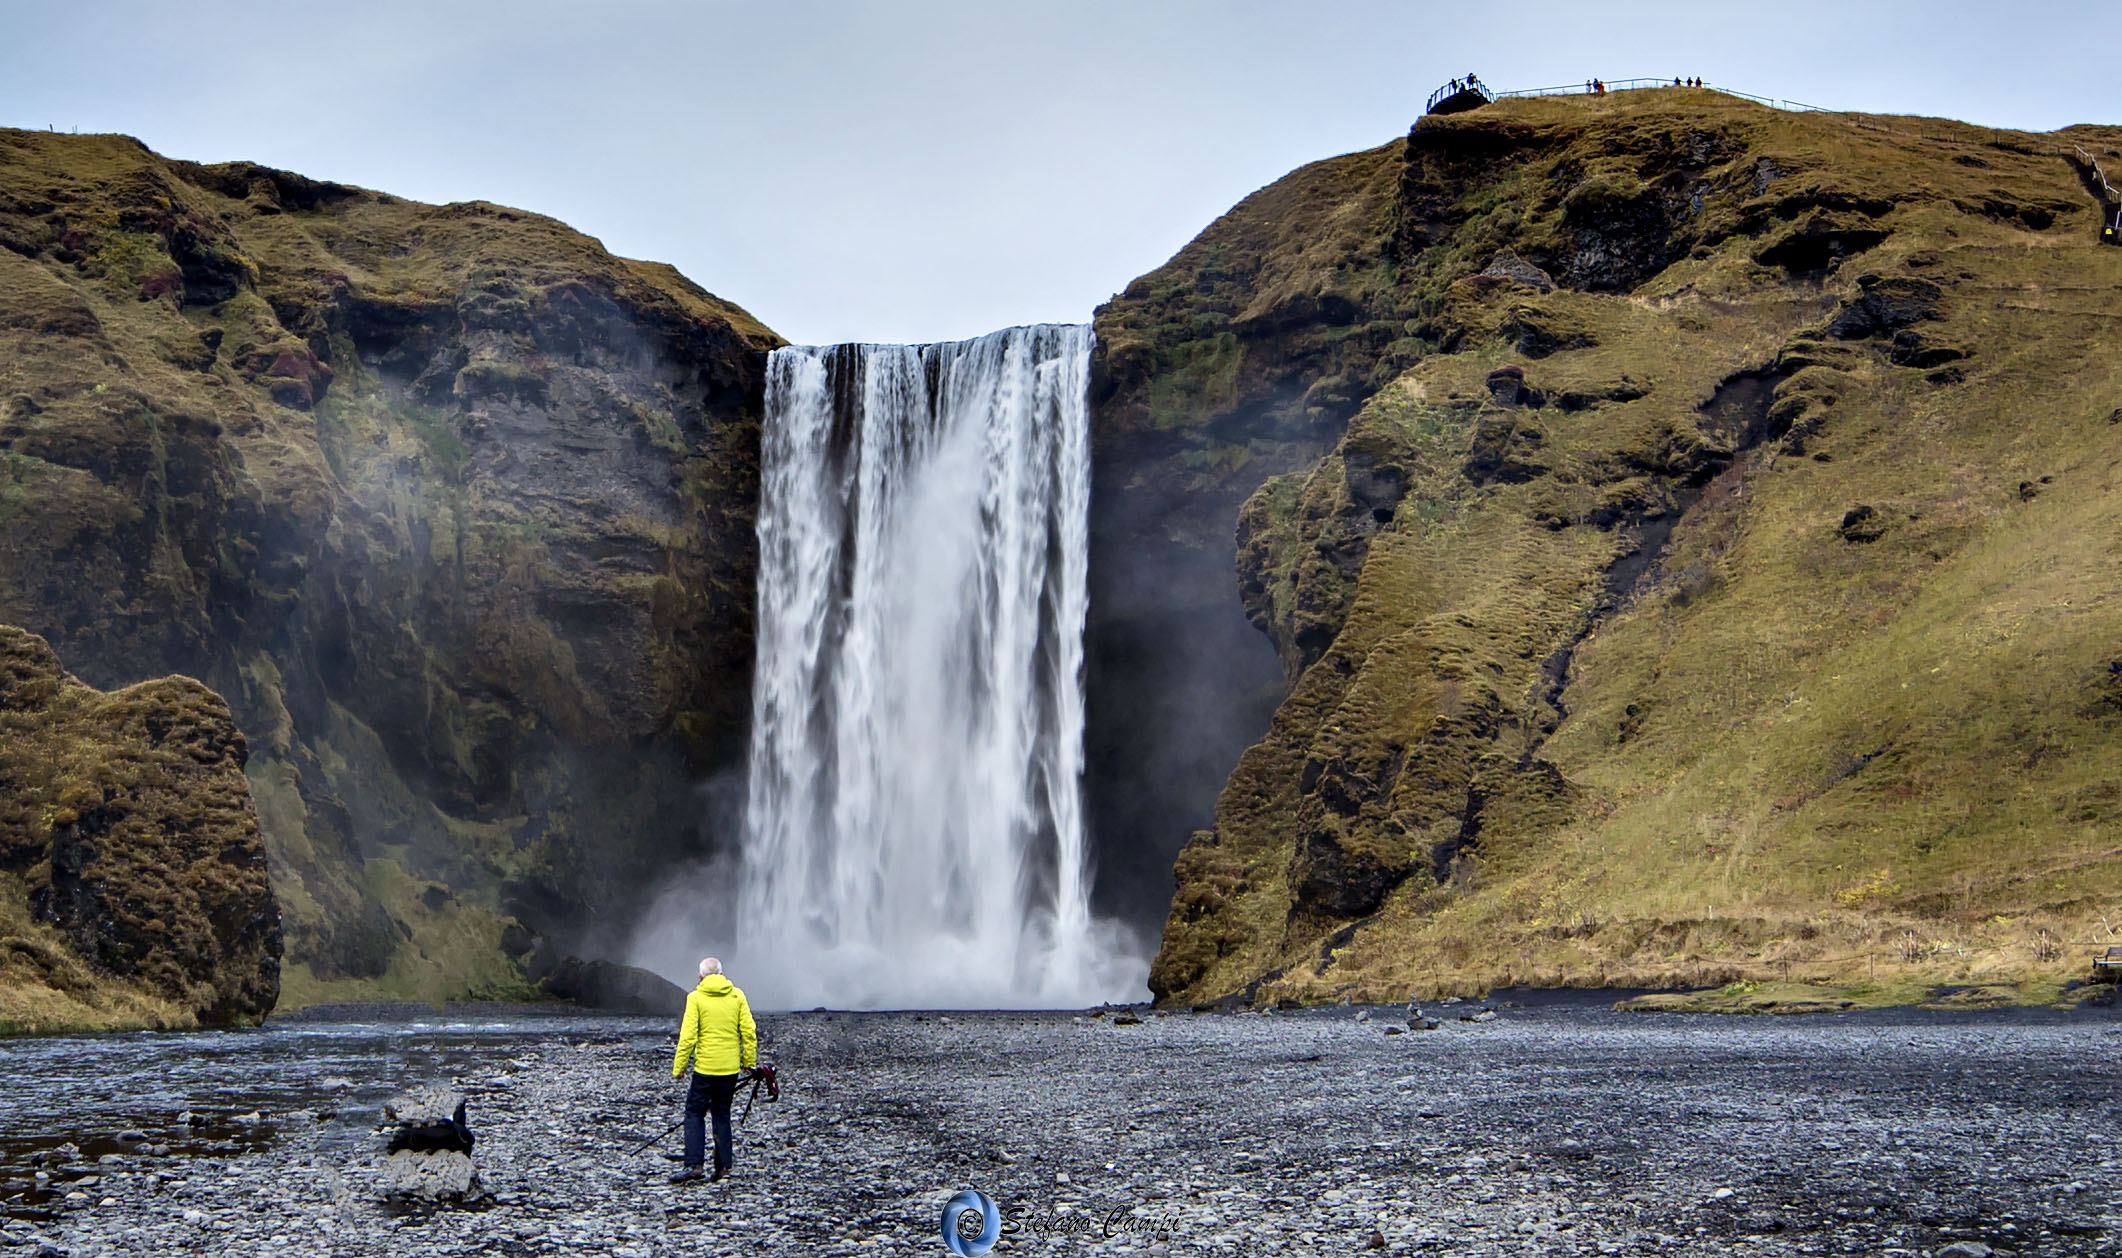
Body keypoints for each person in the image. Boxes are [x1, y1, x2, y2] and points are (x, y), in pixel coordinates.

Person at [669, 957, 757, 1184]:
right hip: (729, 1068)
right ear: (722, 974)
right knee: (722, 1113)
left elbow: (688, 1037)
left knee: (694, 1113)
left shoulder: (695, 998)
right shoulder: (737, 995)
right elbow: (748, 1031)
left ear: (700, 977)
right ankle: (723, 1166)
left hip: (705, 1068)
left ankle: (694, 1165)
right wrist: (749, 1062)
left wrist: (679, 1067)